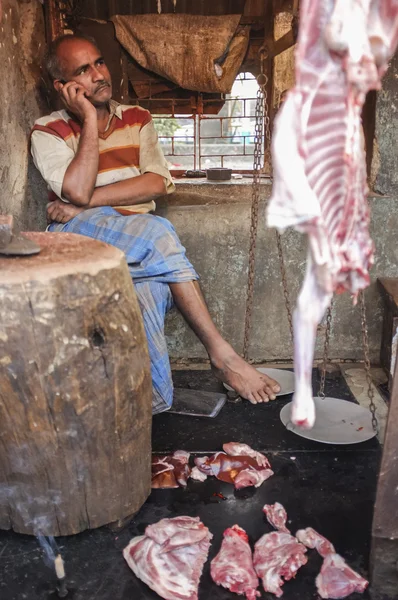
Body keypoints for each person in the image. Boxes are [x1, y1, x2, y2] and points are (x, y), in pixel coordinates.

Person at [30, 33, 280, 413]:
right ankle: (222, 355)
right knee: (160, 233)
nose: (99, 74)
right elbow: (76, 190)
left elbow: (157, 181)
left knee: (158, 394)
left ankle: (113, 414)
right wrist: (89, 123)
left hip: (137, 242)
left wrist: (82, 203)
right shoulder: (46, 130)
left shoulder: (137, 118)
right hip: (79, 236)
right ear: (63, 87)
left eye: (99, 62)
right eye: (83, 70)